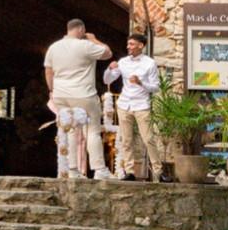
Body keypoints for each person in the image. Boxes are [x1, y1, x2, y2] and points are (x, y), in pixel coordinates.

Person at [44, 18, 115, 179]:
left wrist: (51, 90)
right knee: (92, 131)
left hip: (61, 94)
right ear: (81, 30)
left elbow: (48, 71)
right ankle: (99, 169)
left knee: (70, 131)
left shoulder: (53, 47)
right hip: (84, 94)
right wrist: (93, 39)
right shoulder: (85, 45)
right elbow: (108, 53)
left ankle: (72, 169)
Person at [103, 32, 164, 181]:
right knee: (126, 140)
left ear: (140, 46)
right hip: (124, 104)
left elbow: (156, 87)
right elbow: (107, 80)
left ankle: (159, 172)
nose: (128, 46)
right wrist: (110, 69)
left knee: (148, 138)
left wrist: (140, 83)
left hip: (141, 105)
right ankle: (130, 172)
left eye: (131, 44)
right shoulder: (123, 62)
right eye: (128, 44)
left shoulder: (149, 63)